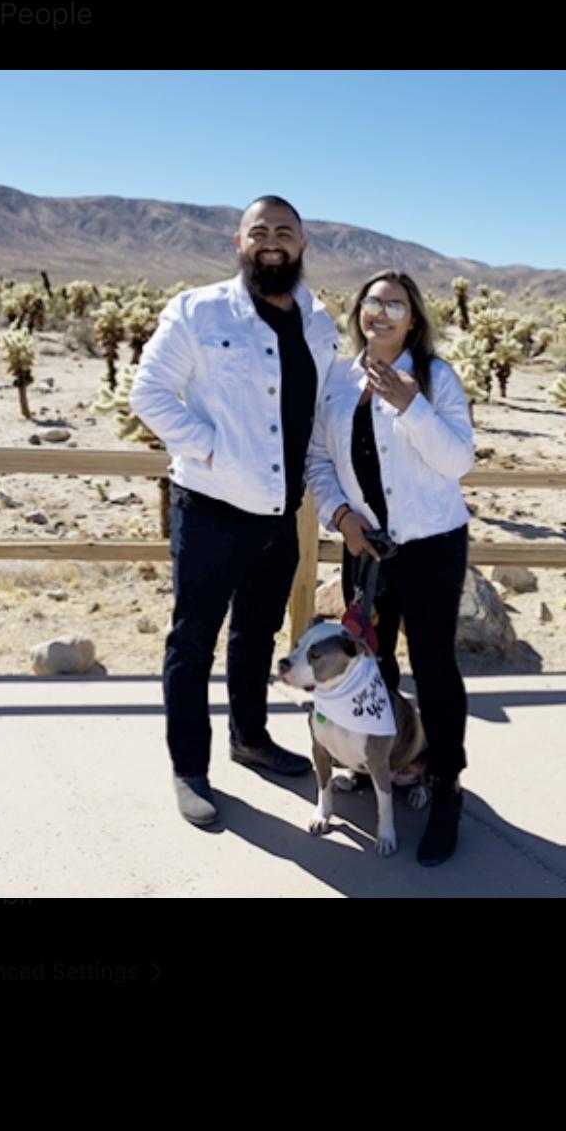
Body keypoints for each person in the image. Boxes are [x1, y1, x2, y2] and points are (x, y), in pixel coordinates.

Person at [128, 196, 340, 826]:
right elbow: (149, 393)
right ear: (238, 242)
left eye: (285, 232)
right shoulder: (198, 310)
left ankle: (250, 739)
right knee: (192, 642)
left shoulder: (319, 321)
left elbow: (321, 412)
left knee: (257, 635)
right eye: (260, 231)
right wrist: (215, 449)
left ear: (302, 245)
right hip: (212, 508)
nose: (272, 241)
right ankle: (190, 770)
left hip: (281, 513)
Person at [305, 271, 476, 867]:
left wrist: (412, 405)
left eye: (394, 304)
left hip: (430, 546)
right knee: (370, 660)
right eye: (372, 302)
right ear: (358, 313)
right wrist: (341, 515)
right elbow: (320, 459)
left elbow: (458, 461)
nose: (380, 312)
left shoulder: (435, 377)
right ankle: (372, 757)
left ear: (412, 318)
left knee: (433, 666)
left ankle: (446, 782)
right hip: (366, 547)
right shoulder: (337, 382)